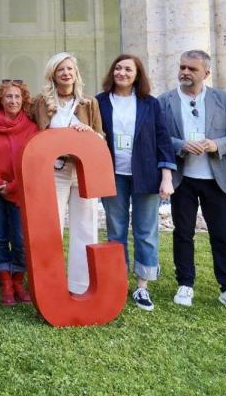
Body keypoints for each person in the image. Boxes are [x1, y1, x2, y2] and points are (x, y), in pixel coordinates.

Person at [158, 50, 226, 316]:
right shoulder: (166, 100)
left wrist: (215, 145)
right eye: (182, 67)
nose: (185, 72)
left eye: (192, 69)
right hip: (182, 178)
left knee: (222, 235)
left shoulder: (222, 99)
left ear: (206, 73)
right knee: (182, 233)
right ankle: (185, 283)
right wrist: (181, 145)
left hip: (215, 179)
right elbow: (160, 137)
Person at [97, 54, 175, 311]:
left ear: (137, 74)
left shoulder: (150, 104)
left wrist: (167, 177)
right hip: (112, 174)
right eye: (118, 68)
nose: (122, 73)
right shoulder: (99, 102)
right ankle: (117, 281)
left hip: (146, 174)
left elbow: (163, 140)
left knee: (145, 231)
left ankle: (142, 286)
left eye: (128, 69)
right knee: (115, 231)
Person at [30, 52, 104, 295]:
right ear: (53, 73)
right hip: (55, 171)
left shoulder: (89, 103)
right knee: (52, 227)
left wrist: (89, 133)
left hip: (84, 172)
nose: (66, 73)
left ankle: (80, 285)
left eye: (70, 68)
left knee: (85, 224)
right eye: (61, 69)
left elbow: (101, 137)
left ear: (76, 73)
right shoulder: (41, 102)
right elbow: (28, 130)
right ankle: (50, 285)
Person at [0, 80, 39, 306]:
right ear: (0, 100)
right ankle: (6, 284)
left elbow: (33, 160)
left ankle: (19, 281)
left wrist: (11, 186)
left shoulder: (32, 128)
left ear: (24, 101)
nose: (13, 101)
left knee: (20, 239)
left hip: (20, 189)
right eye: (9, 97)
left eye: (17, 97)